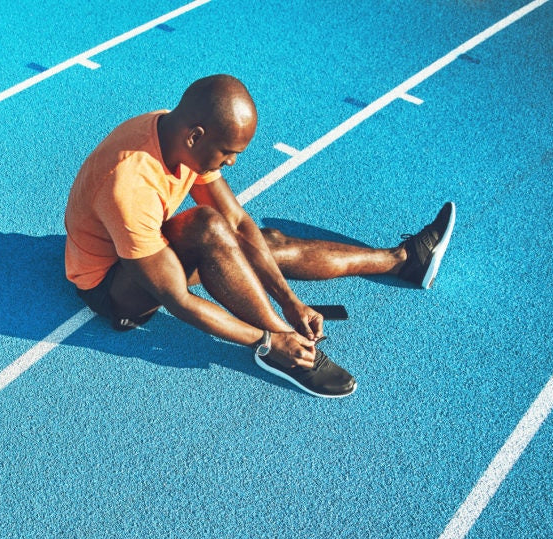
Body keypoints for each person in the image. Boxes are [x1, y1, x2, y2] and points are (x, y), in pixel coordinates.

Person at [63, 74, 455, 398]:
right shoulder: (129, 184)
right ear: (195, 136)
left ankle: (403, 260)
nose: (231, 162)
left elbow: (238, 222)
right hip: (112, 286)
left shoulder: (173, 131)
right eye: (228, 152)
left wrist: (290, 302)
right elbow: (178, 299)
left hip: (140, 242)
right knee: (207, 227)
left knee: (262, 240)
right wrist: (268, 338)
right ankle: (285, 351)